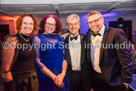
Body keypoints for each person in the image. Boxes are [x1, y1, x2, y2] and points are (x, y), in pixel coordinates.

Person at [86, 11, 132, 91]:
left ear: (102, 20)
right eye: (90, 22)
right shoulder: (89, 35)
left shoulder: (116, 33)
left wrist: (126, 81)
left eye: (96, 20)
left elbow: (126, 59)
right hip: (97, 80)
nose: (93, 24)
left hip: (115, 81)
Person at [1, 13, 39, 91]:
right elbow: (5, 71)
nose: (28, 26)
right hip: (19, 84)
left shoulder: (31, 40)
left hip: (33, 81)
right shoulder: (12, 41)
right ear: (19, 25)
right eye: (25, 23)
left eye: (31, 23)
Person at [33, 15, 69, 91]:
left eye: (53, 24)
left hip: (60, 74)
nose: (50, 26)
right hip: (46, 75)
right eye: (48, 23)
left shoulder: (60, 38)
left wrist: (62, 74)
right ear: (44, 24)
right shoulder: (37, 38)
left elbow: (64, 58)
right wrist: (54, 77)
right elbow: (37, 61)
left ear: (56, 26)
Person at [64, 14, 92, 91]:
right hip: (69, 78)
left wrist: (92, 83)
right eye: (70, 24)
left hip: (85, 78)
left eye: (75, 24)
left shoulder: (87, 39)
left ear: (79, 25)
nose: (73, 26)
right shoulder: (62, 41)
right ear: (67, 26)